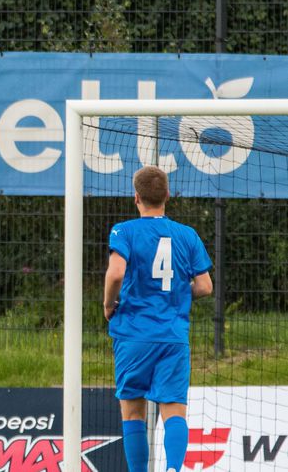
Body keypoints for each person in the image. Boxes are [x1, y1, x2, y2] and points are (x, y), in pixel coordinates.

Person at [103, 166, 213, 472]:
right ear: (167, 195)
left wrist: (108, 304)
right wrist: (179, 292)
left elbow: (115, 272)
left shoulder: (124, 231)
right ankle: (173, 469)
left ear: (136, 197)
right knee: (174, 410)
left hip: (133, 334)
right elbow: (205, 286)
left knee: (133, 413)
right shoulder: (187, 235)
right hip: (172, 335)